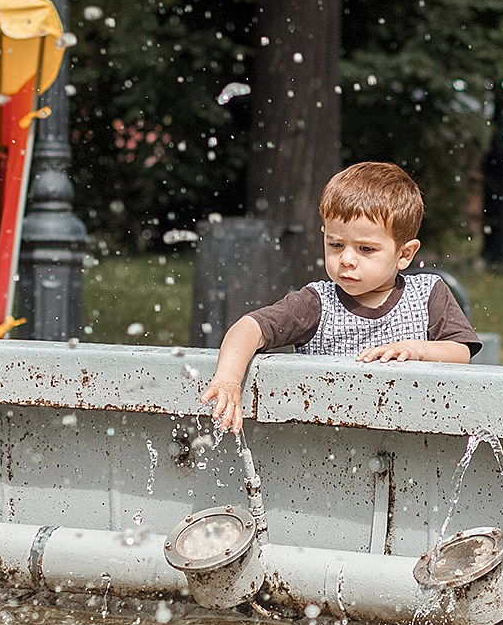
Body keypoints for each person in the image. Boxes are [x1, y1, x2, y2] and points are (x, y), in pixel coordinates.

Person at [201, 162, 479, 431]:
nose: (346, 259)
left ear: (405, 254)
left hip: (411, 437)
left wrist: (418, 350)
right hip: (332, 442)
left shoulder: (428, 294)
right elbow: (249, 328)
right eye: (336, 244)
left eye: (365, 249)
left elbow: (460, 352)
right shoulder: (316, 303)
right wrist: (229, 379)